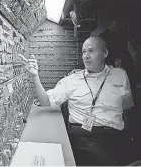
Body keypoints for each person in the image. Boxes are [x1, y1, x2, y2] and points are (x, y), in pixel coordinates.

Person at [19, 36, 134, 166]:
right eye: (84, 52)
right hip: (85, 137)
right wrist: (35, 77)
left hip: (116, 136)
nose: (86, 56)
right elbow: (45, 101)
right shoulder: (71, 80)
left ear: (105, 53)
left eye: (91, 51)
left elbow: (126, 108)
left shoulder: (120, 75)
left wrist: (128, 134)